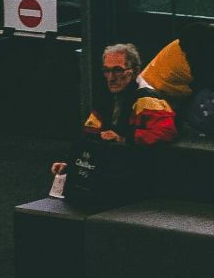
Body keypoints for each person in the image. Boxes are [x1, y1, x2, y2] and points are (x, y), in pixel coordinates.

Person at [51, 44, 176, 209]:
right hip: (109, 168)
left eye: (117, 70)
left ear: (134, 71)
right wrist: (71, 164)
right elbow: (89, 135)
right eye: (107, 71)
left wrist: (124, 138)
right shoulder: (107, 97)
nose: (111, 77)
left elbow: (167, 132)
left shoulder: (147, 99)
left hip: (136, 173)